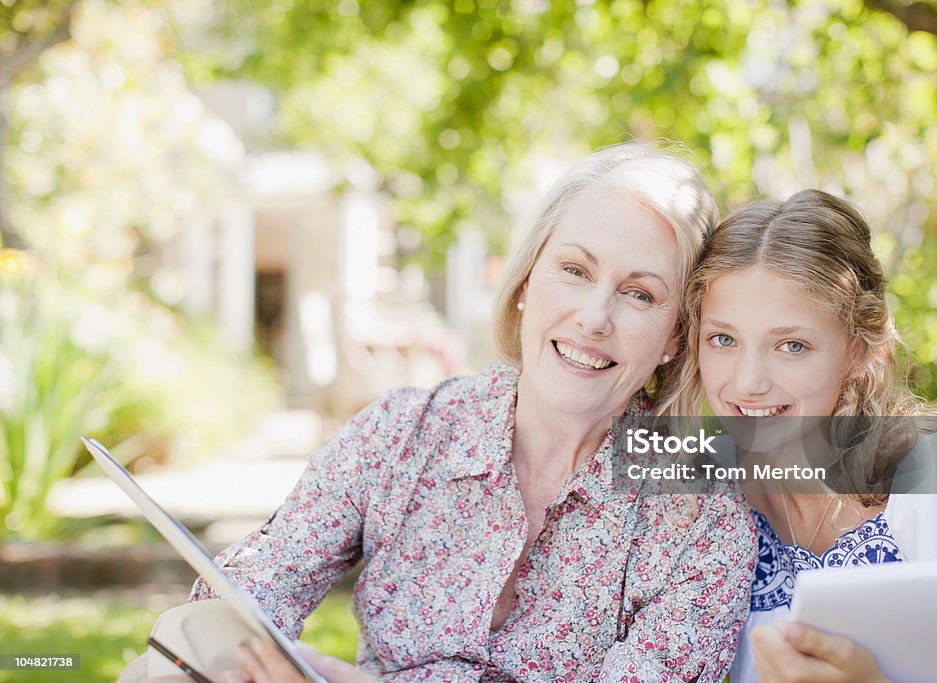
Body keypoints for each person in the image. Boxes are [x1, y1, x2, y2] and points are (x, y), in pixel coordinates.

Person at [124, 142, 757, 682]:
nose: (594, 318)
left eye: (640, 293)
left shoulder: (703, 512)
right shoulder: (404, 432)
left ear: (676, 335)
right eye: (574, 270)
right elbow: (248, 595)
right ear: (527, 280)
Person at [673, 189, 937, 683]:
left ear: (857, 350)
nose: (748, 381)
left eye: (791, 345)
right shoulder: (700, 499)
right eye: (723, 339)